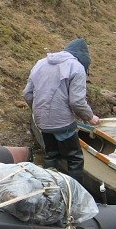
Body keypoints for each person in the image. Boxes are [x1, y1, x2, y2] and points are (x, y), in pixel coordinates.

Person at [23, 38, 100, 185]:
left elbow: (27, 93)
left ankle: (48, 187)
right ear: (83, 56)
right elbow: (76, 102)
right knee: (75, 159)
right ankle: (75, 192)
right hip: (62, 122)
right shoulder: (76, 67)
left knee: (51, 155)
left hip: (42, 121)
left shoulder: (40, 63)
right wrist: (90, 117)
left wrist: (39, 111)